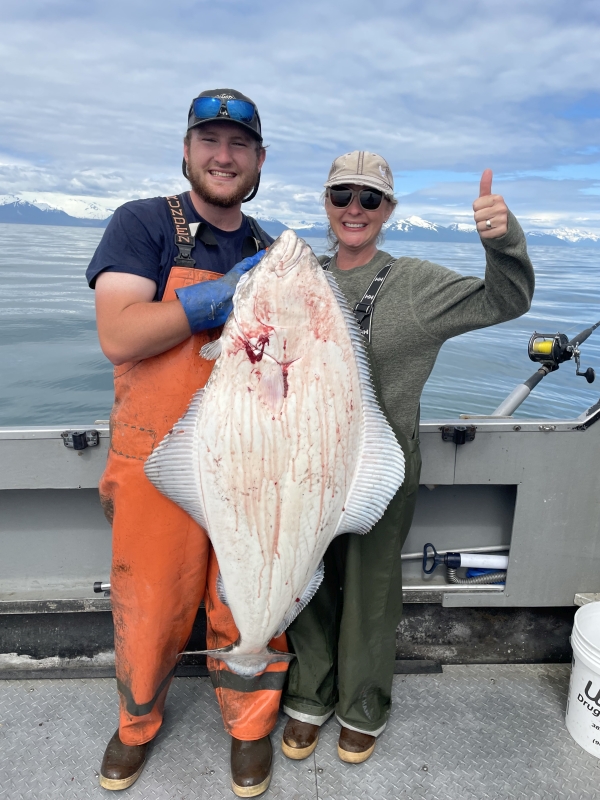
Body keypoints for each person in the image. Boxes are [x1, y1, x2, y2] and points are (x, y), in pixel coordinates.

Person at [280, 151, 535, 763]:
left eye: (370, 198)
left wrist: (503, 241)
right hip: (303, 466)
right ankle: (308, 696)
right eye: (343, 194)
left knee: (371, 587)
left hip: (382, 466)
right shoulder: (295, 277)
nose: (354, 209)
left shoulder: (418, 283)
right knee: (303, 581)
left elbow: (507, 300)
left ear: (389, 210)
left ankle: (363, 703)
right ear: (326, 202)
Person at [86, 89, 286, 798]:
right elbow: (119, 334)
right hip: (154, 451)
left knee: (252, 596)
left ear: (259, 159)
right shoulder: (142, 224)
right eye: (210, 141)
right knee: (153, 600)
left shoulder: (273, 250)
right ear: (186, 149)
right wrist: (210, 300)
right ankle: (136, 724)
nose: (223, 156)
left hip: (249, 460)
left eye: (239, 144)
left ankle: (252, 724)